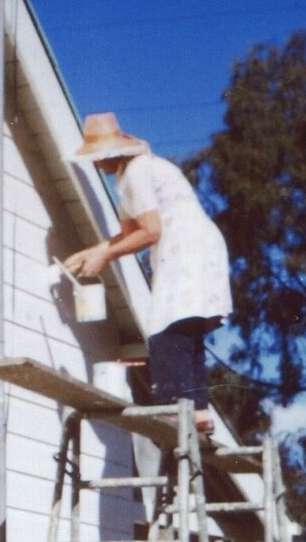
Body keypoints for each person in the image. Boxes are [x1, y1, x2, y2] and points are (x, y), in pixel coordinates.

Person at [65, 112, 232, 434]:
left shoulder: (139, 171)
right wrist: (95, 251)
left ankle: (173, 409)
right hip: (196, 246)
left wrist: (106, 255)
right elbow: (131, 233)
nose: (97, 165)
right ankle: (198, 412)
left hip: (186, 248)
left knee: (165, 328)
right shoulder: (131, 177)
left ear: (114, 152)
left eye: (100, 158)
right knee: (186, 325)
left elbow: (150, 232)